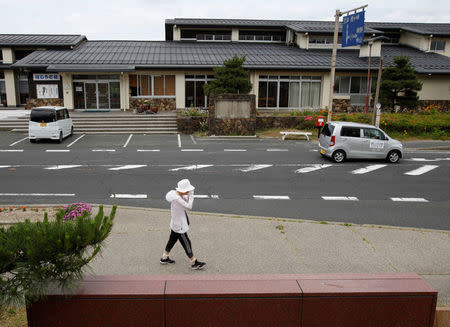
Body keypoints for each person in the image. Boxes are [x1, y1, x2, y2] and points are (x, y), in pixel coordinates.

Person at [160, 179, 206, 270]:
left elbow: (185, 202)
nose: (189, 191)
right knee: (186, 243)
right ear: (184, 190)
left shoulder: (175, 195)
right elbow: (189, 206)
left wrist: (188, 195)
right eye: (188, 190)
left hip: (175, 224)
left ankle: (164, 257)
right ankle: (193, 262)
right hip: (179, 226)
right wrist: (191, 195)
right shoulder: (177, 199)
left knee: (172, 240)